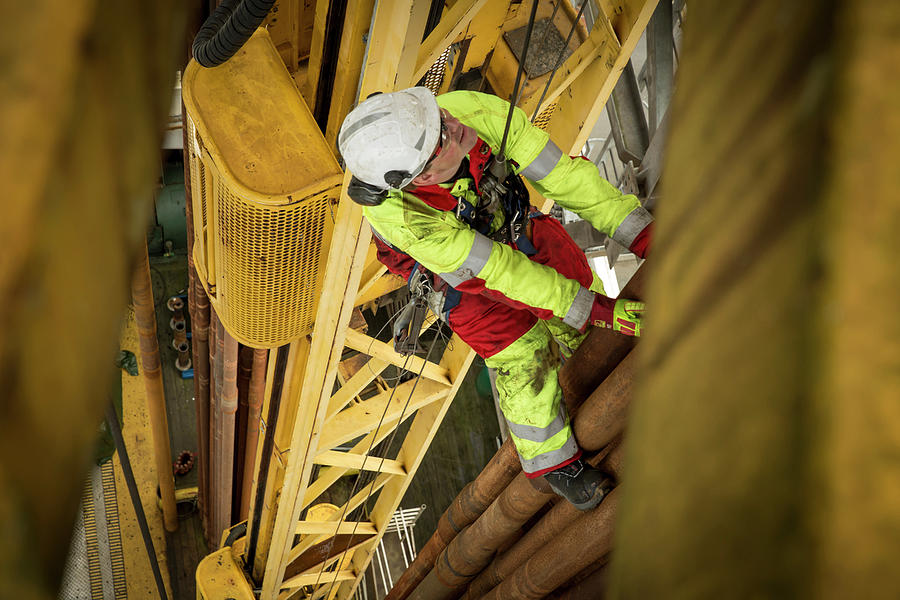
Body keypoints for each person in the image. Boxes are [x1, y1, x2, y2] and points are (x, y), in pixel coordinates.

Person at [337, 88, 652, 510]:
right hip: (457, 275)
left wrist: (644, 235)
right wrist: (592, 309)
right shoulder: (405, 217)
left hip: (508, 220)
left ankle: (608, 366)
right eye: (441, 137)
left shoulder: (469, 112)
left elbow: (565, 178)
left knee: (568, 275)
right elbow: (498, 273)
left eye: (438, 114)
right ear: (424, 177)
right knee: (522, 352)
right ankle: (554, 465)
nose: (452, 124)